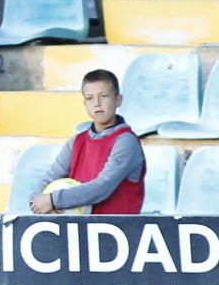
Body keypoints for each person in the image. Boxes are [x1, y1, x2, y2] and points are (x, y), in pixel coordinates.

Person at [30, 69, 146, 214]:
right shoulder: (76, 141)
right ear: (84, 103)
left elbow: (103, 187)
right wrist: (35, 199)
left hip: (116, 230)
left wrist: (54, 200)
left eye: (104, 96)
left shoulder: (126, 141)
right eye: (90, 98)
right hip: (78, 230)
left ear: (118, 100)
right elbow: (50, 177)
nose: (97, 103)